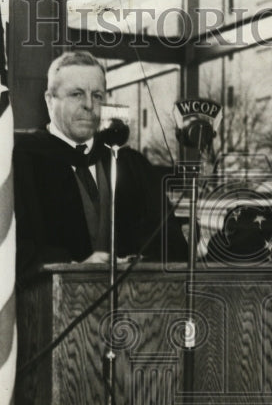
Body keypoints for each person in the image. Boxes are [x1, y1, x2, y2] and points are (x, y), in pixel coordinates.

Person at [13, 50, 188, 278]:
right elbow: (12, 249)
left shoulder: (130, 166)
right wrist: (73, 264)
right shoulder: (22, 161)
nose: (89, 104)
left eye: (97, 95)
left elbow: (171, 243)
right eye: (76, 94)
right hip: (50, 304)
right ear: (49, 100)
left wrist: (135, 261)